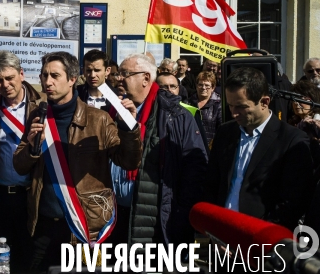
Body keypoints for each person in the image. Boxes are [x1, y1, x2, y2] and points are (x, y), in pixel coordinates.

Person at [13, 51, 142, 271]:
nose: (47, 82)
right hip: (43, 225)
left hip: (84, 227)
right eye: (44, 75)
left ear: (73, 79)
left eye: (55, 75)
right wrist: (33, 148)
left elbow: (128, 161)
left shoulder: (98, 119)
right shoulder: (37, 114)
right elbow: (19, 165)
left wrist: (129, 128)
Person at [110, 53, 208, 247]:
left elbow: (195, 171)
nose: (118, 78)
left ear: (146, 78)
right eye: (118, 74)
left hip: (155, 221)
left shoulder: (175, 116)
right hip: (114, 217)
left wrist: (179, 216)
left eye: (125, 73)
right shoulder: (113, 111)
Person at [204, 67, 313, 230]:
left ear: (264, 102)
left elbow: (292, 202)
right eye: (231, 105)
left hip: (261, 242)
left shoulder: (292, 141)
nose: (233, 113)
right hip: (221, 236)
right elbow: (212, 183)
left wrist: (258, 236)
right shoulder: (225, 133)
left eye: (241, 107)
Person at [0, 50, 46, 273]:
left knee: (28, 258)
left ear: (21, 74)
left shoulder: (42, 105)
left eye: (10, 78)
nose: (5, 84)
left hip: (33, 196)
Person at [187, 71, 222, 148]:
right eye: (200, 85)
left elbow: (221, 129)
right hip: (191, 146)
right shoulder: (187, 102)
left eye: (207, 85)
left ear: (213, 87)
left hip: (211, 147)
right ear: (196, 86)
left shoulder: (219, 104)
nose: (203, 88)